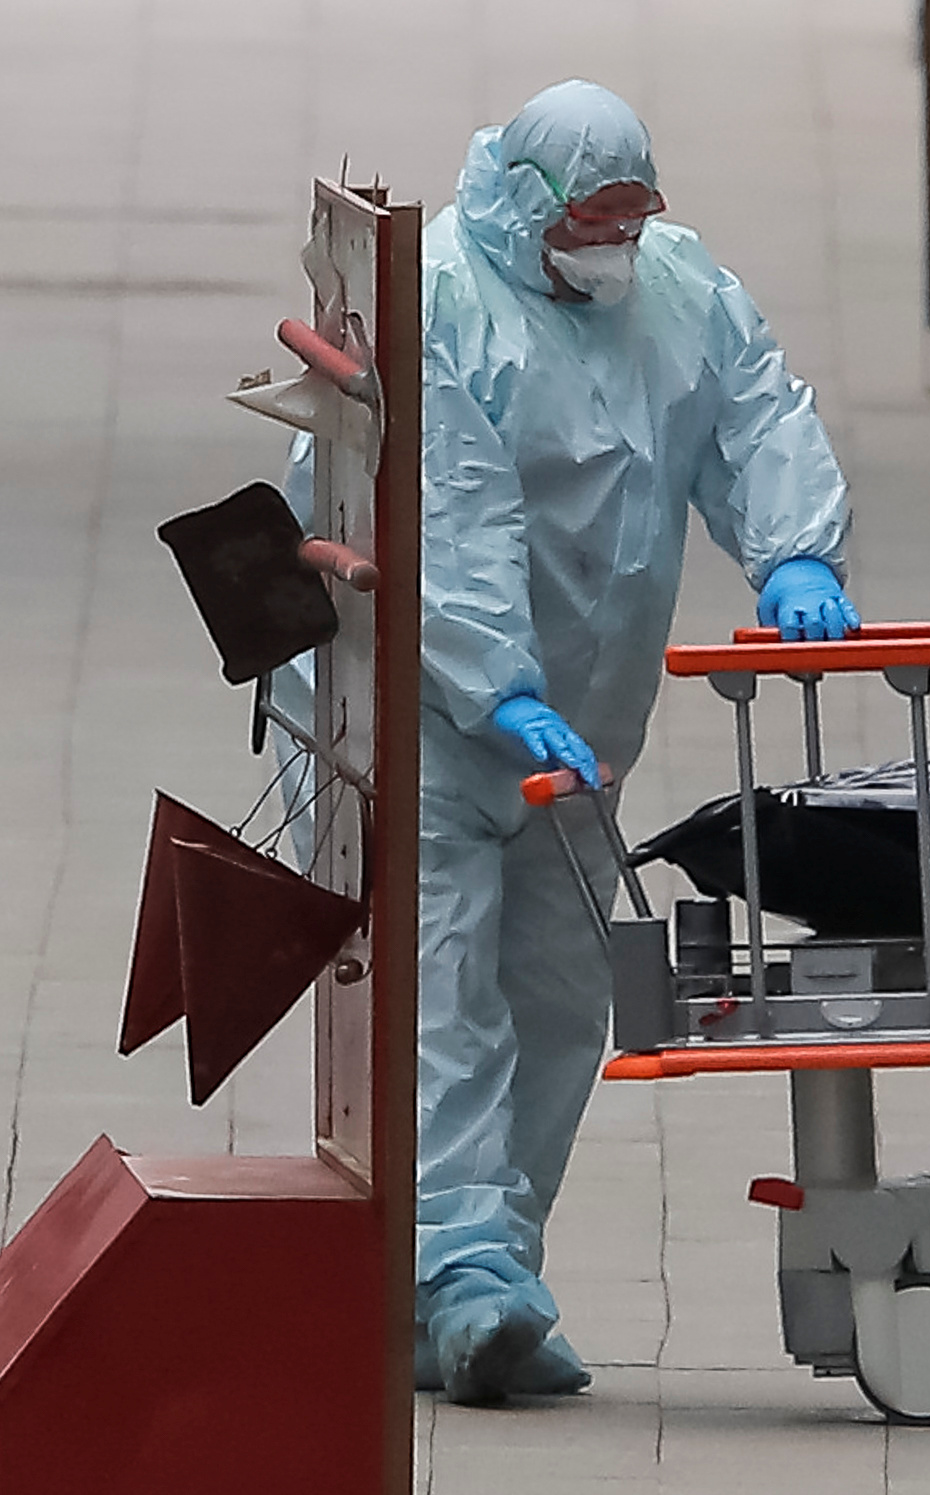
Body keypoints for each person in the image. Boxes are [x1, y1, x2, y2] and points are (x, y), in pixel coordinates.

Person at [283, 79, 858, 1405]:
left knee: (554, 1004)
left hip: (574, 742)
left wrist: (794, 553)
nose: (617, 238)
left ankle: (487, 1282)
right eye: (594, 217)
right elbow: (448, 518)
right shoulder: (430, 304)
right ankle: (457, 1272)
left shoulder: (670, 289)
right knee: (440, 1010)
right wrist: (499, 686)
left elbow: (754, 405)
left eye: (634, 215)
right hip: (417, 718)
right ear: (532, 207)